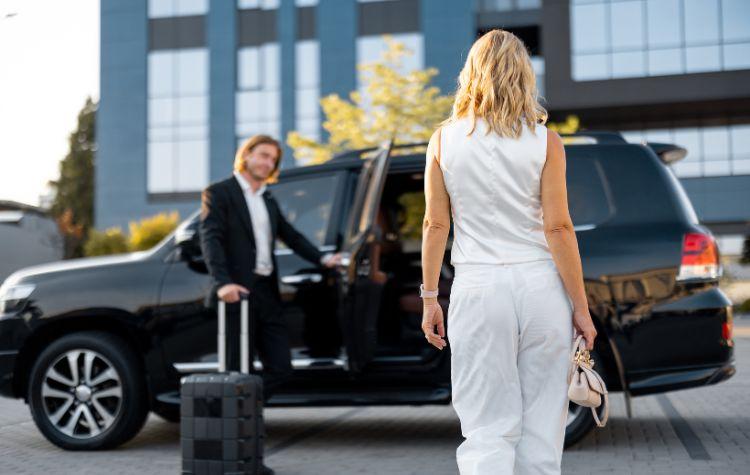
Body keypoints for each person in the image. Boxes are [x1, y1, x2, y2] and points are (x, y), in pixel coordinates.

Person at [419, 29, 598, 475]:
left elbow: (435, 224)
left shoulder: (442, 140)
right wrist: (581, 306)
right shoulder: (546, 141)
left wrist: (429, 298)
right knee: (542, 430)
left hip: (478, 289)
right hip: (540, 288)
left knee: (485, 429)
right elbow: (558, 226)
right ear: (523, 74)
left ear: (471, 74)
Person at [199, 135, 343, 474]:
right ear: (246, 155)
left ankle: (237, 425)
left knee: (279, 368)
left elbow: (290, 235)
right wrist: (222, 283)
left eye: (273, 160)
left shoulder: (267, 197)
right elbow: (211, 238)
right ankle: (243, 460)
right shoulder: (220, 193)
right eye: (263, 156)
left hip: (266, 292)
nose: (267, 164)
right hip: (238, 293)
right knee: (237, 371)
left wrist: (323, 260)